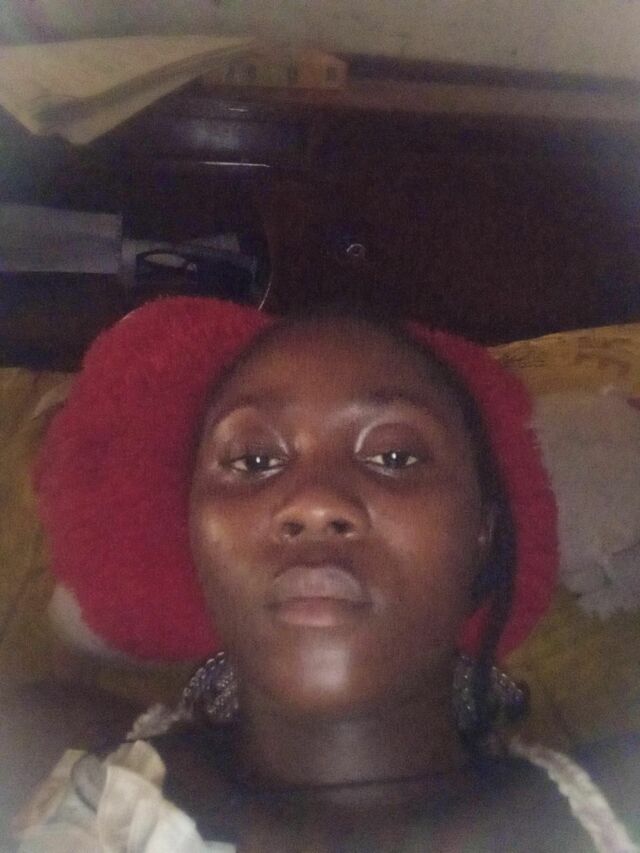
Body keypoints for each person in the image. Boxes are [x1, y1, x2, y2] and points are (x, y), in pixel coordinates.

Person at [15, 297, 640, 851]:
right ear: (193, 536)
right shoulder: (32, 749)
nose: (314, 503)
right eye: (253, 460)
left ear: (484, 533)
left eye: (394, 456)